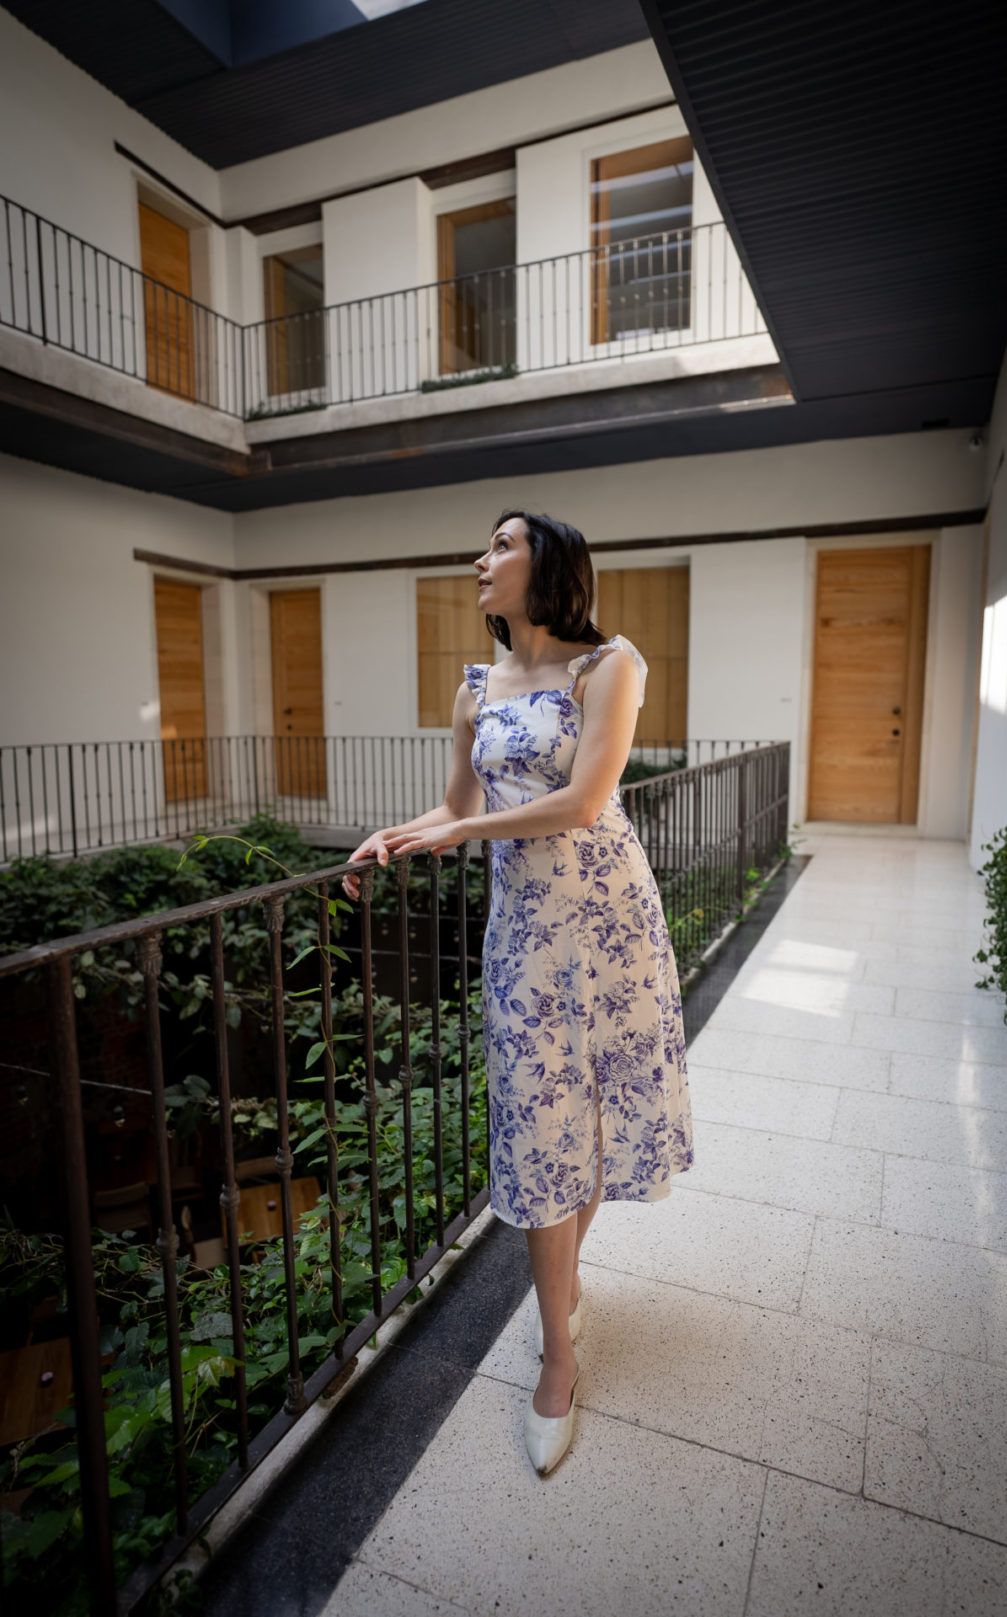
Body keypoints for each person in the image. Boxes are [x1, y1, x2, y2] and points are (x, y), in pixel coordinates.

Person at [343, 510, 693, 1475]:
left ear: (549, 563)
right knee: (541, 1131)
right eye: (482, 548)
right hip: (527, 939)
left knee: (594, 1110)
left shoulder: (609, 665)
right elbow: (459, 806)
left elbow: (585, 801)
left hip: (612, 920)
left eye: (499, 544)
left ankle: (562, 1287)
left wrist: (458, 838)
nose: (479, 560)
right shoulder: (473, 689)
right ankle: (559, 1353)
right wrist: (398, 835)